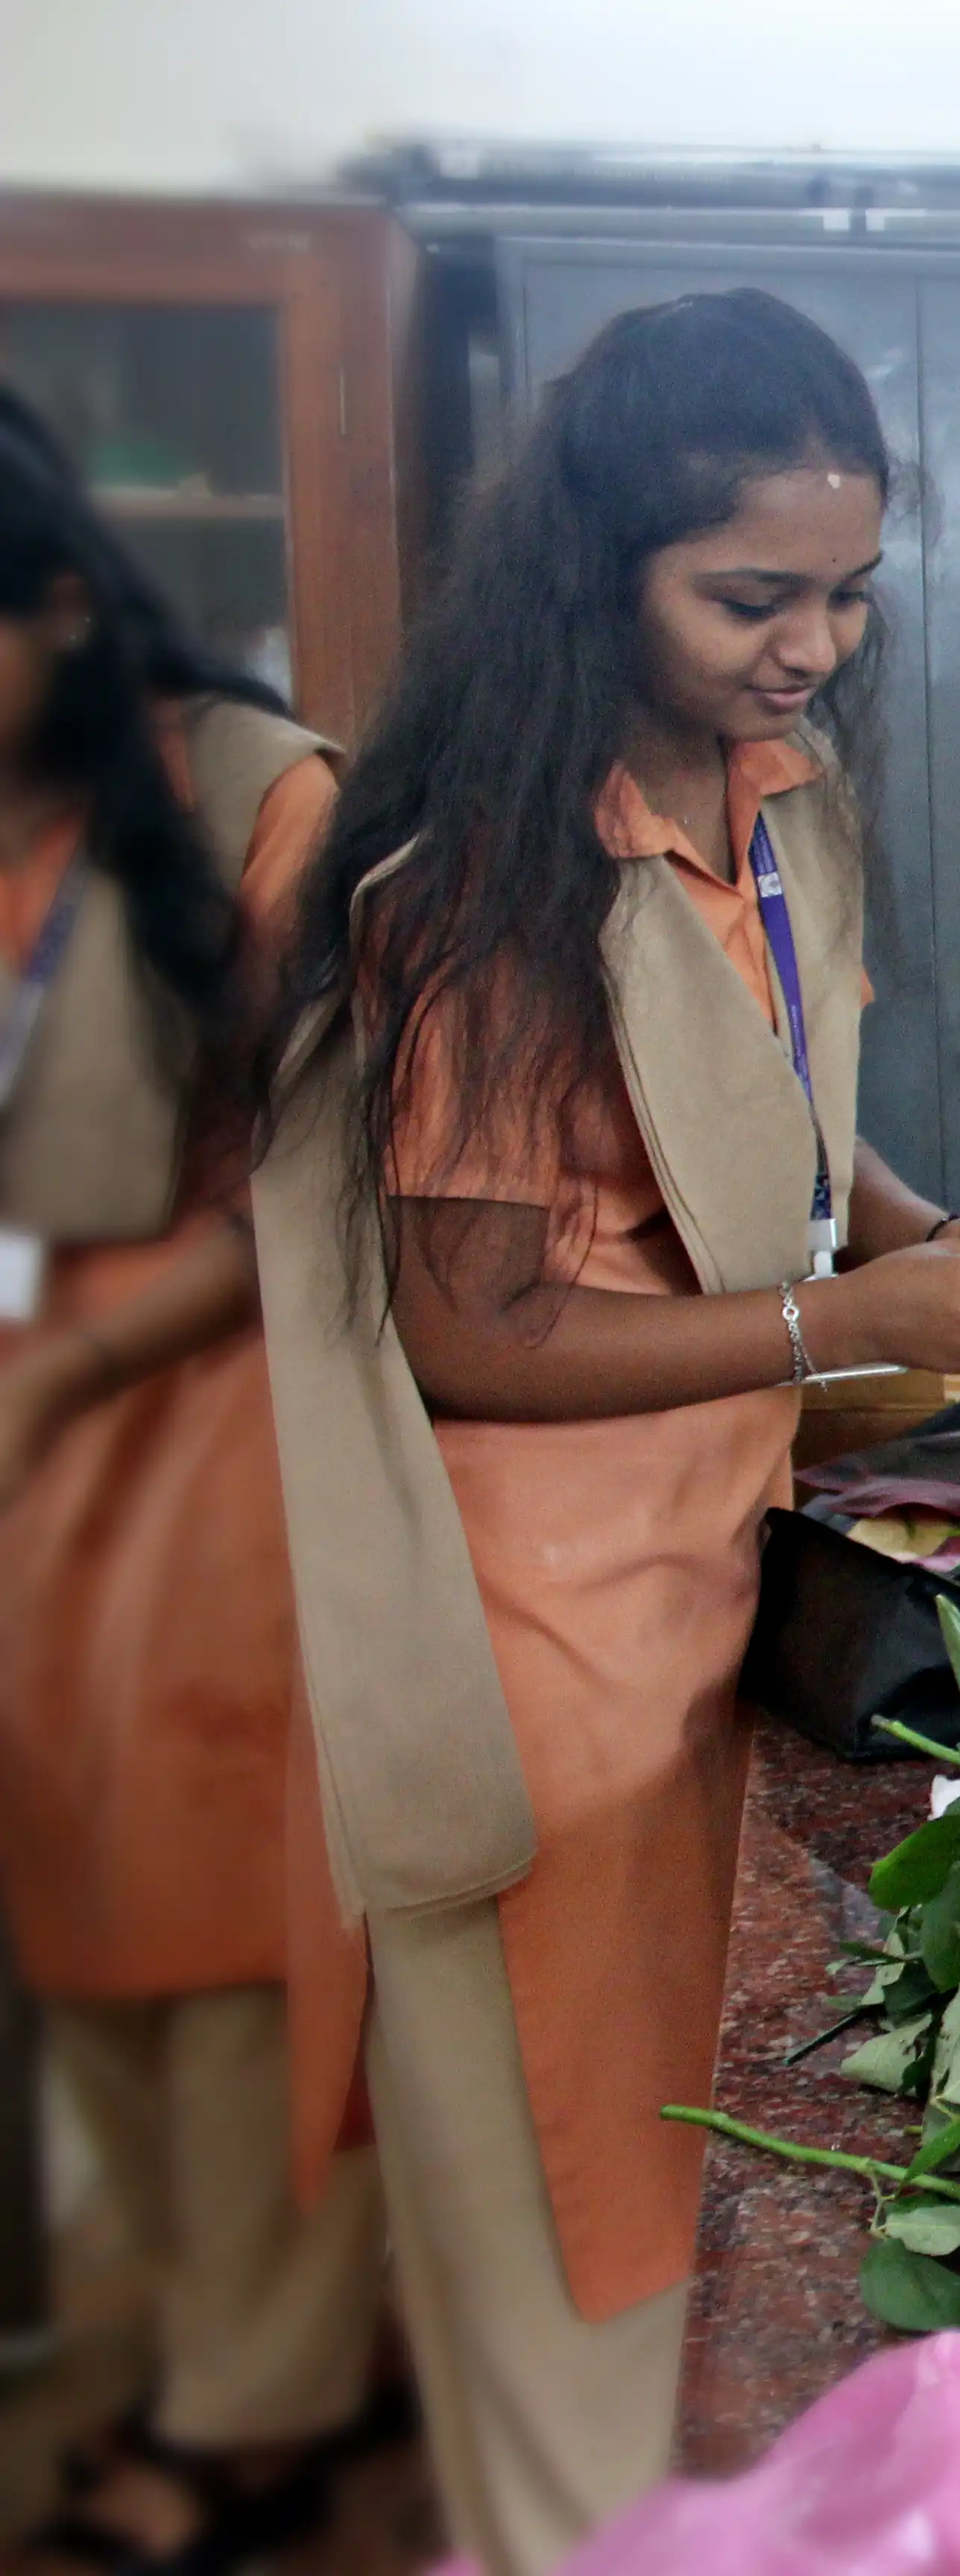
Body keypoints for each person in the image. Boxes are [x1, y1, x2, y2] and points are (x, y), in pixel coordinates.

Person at [247, 290, 960, 2575]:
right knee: (559, 2206)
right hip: (527, 1626)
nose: (811, 645)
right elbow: (470, 1322)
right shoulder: (483, 893)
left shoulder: (779, 818)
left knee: (661, 2174)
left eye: (847, 593)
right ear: (599, 571)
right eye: (750, 597)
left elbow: (790, 1137)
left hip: (708, 1572)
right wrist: (853, 1317)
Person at [0, 388, 393, 2574]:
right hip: (33, 1447)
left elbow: (327, 1187)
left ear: (63, 603)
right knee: (77, 1934)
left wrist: (68, 1378)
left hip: (210, 1426)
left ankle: (258, 2411)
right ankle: (174, 2348)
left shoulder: (261, 794)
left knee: (226, 1943)